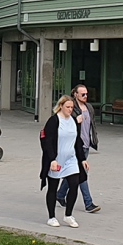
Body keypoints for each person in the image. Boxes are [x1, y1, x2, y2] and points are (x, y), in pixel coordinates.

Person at [39, 95, 88, 229]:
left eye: (72, 107)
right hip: (56, 159)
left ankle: (68, 215)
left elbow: (77, 141)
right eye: (67, 107)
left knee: (74, 184)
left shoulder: (73, 120)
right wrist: (52, 160)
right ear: (61, 106)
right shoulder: (54, 121)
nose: (70, 109)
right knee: (53, 188)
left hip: (70, 159)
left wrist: (82, 159)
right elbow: (47, 142)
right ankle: (51, 217)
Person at [56, 84, 102, 213]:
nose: (85, 96)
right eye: (82, 94)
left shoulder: (89, 108)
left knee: (73, 172)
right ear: (75, 94)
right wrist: (76, 121)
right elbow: (64, 124)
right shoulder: (71, 108)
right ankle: (89, 203)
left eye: (86, 94)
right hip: (75, 145)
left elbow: (92, 125)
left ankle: (60, 195)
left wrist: (94, 139)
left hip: (86, 145)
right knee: (82, 174)